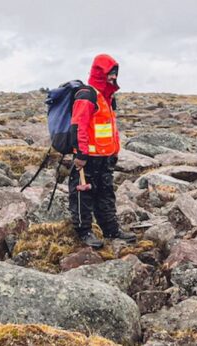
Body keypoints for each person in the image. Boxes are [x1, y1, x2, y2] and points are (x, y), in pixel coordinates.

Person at [68, 54, 136, 249]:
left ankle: (111, 229)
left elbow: (110, 127)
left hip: (105, 157)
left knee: (106, 194)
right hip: (87, 158)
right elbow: (78, 126)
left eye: (114, 74)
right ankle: (84, 231)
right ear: (100, 73)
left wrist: (115, 150)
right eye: (109, 74)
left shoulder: (107, 97)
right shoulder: (87, 95)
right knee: (82, 195)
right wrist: (80, 155)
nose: (113, 78)